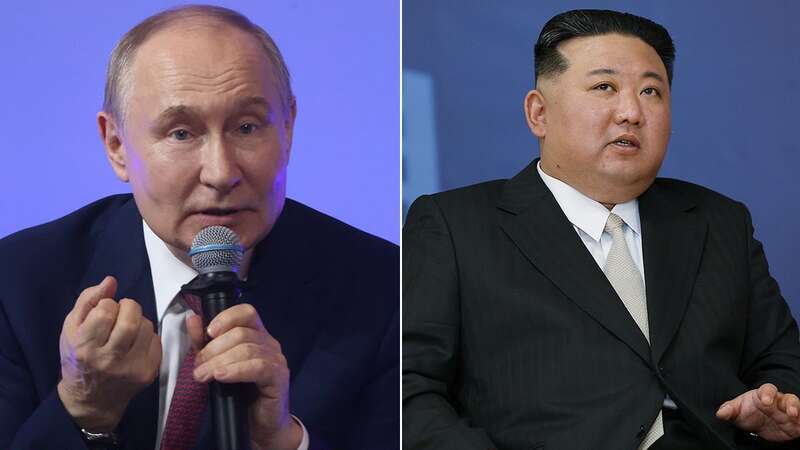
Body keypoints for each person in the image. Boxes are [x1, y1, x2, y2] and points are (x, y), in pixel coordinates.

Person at [0, 5, 398, 450]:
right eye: (181, 134)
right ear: (115, 146)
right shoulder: (18, 283)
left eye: (247, 128)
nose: (220, 172)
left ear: (287, 129)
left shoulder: (387, 289)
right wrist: (83, 409)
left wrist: (284, 441)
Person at [403, 9, 800, 450]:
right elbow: (409, 390)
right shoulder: (455, 226)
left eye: (651, 91)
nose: (631, 111)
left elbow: (782, 363)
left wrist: (776, 406)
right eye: (604, 87)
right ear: (539, 113)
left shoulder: (719, 221)